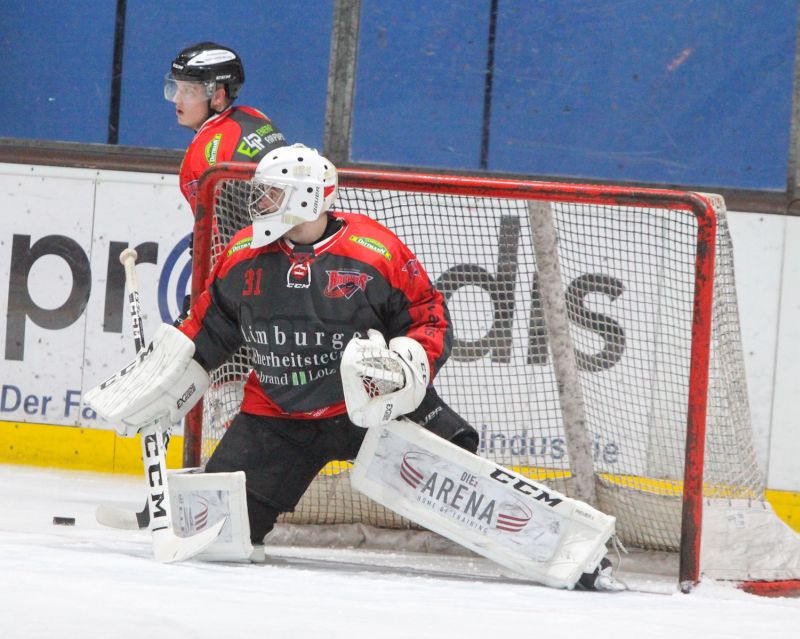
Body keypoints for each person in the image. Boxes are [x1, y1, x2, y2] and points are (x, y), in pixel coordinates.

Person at [175, 143, 480, 545]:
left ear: (306, 197)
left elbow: (428, 315)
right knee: (210, 533)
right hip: (277, 416)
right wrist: (167, 373)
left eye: (271, 193)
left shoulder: (375, 252)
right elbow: (209, 328)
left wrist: (411, 360)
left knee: (476, 495)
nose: (258, 201)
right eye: (261, 191)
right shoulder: (242, 254)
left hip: (373, 407)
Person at [164, 41, 287, 214]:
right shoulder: (255, 116)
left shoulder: (202, 152)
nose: (177, 99)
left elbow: (216, 232)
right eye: (177, 88)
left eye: (188, 91)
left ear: (217, 97)